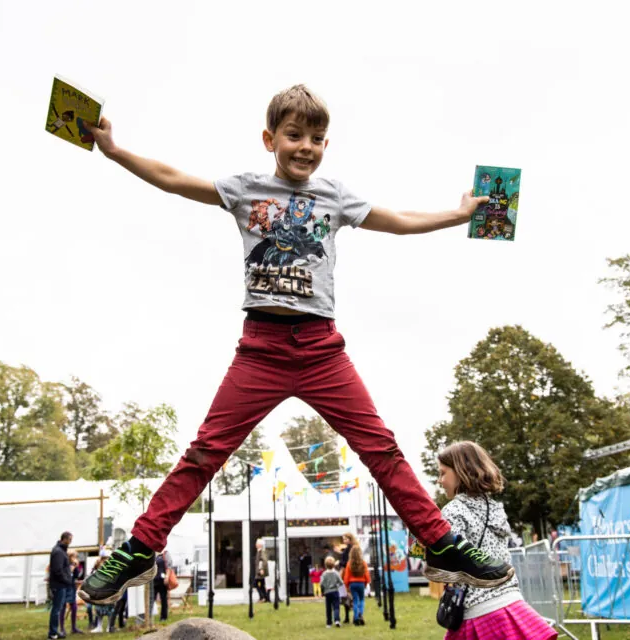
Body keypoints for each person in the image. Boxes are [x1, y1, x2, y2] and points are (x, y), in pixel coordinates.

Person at [78, 84, 514, 606]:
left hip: (322, 349)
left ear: (326, 144)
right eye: (294, 135)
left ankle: (441, 544)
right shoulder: (246, 189)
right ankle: (140, 548)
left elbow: (397, 222)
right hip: (261, 349)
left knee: (382, 448)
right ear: (270, 139)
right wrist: (115, 151)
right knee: (205, 451)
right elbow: (173, 179)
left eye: (317, 138)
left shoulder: (334, 196)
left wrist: (458, 215)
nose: (306, 146)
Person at [437, 441, 557, 640]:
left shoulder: (453, 510)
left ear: (461, 471)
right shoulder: (494, 508)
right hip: (510, 601)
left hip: (480, 610)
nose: (439, 481)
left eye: (443, 473)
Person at [48, 531, 73, 640]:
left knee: (58, 608)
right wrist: (66, 579)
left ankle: (54, 631)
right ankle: (52, 633)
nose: (70, 542)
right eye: (69, 540)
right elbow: (57, 570)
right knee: (56, 609)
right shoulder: (58, 551)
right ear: (64, 539)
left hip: (61, 584)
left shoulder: (61, 550)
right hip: (58, 585)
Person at [343, 545, 371, 626]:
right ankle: (360, 615)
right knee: (362, 600)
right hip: (361, 583)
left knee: (355, 600)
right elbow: (366, 574)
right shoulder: (363, 563)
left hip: (352, 584)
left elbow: (346, 576)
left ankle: (355, 618)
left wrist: (346, 586)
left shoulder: (349, 564)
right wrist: (367, 582)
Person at [59, 550, 84, 635]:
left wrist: (76, 567)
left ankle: (73, 628)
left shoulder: (73, 564)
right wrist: (71, 569)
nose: (75, 558)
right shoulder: (64, 564)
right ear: (70, 557)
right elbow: (66, 575)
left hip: (71, 587)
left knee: (74, 607)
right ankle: (62, 629)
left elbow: (76, 576)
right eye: (74, 556)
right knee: (62, 607)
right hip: (64, 587)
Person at [320, 556, 344, 628]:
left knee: (328, 608)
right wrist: (337, 585)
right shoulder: (336, 573)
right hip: (335, 592)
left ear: (325, 565)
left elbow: (321, 583)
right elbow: (341, 582)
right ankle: (337, 620)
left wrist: (323, 590)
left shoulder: (324, 574)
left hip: (327, 592)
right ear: (334, 564)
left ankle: (329, 623)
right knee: (336, 606)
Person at [338, 533, 356, 623]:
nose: (344, 541)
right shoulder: (351, 549)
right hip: (348, 572)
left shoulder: (350, 549)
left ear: (350, 539)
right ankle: (350, 616)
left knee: (347, 595)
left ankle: (349, 616)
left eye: (345, 539)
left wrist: (340, 563)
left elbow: (345, 562)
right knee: (347, 595)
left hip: (347, 573)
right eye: (343, 539)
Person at [152, 549, 172, 622]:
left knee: (163, 599)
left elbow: (169, 566)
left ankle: (163, 617)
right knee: (152, 598)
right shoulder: (154, 554)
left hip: (162, 581)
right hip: (154, 580)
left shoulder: (165, 553)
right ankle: (149, 616)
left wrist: (167, 576)